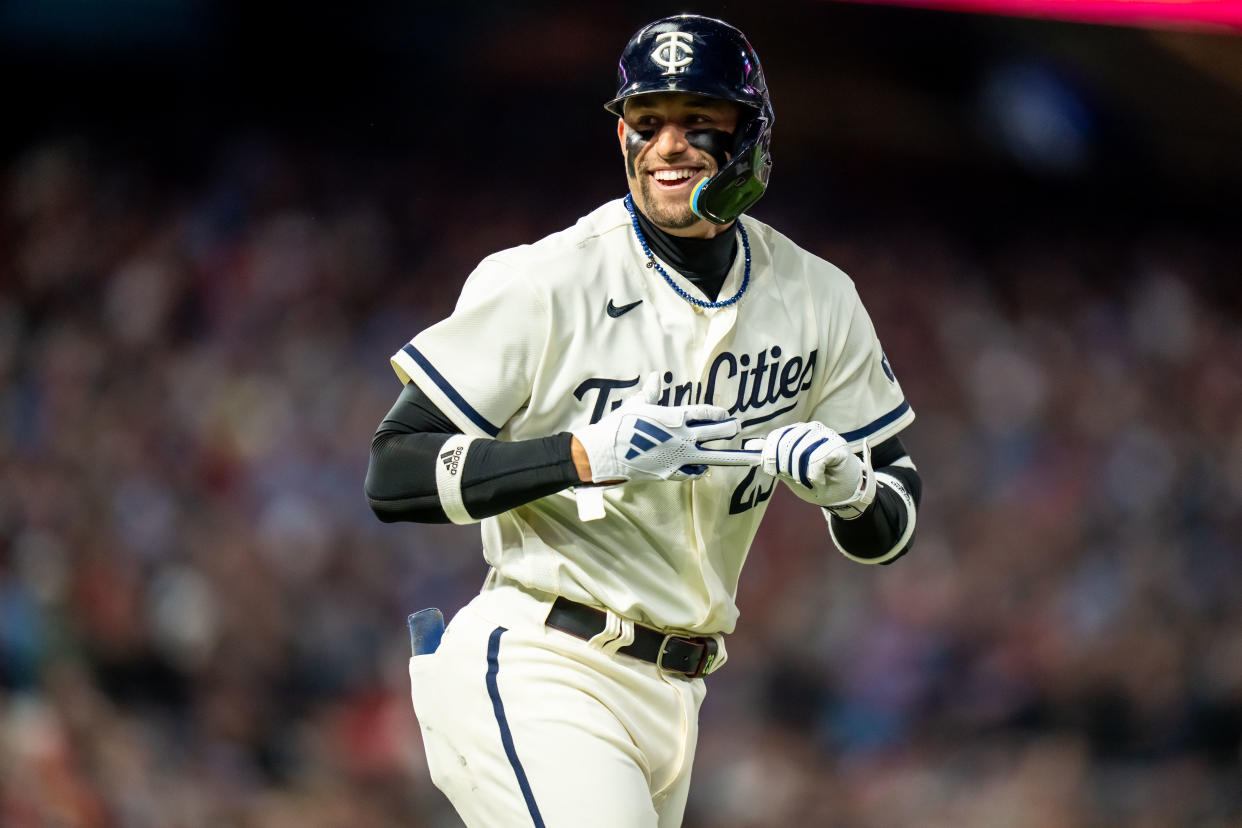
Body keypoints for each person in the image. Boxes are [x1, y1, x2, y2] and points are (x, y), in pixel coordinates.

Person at [365, 14, 921, 827]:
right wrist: (581, 454)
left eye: (700, 122)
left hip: (678, 695)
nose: (669, 145)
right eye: (648, 121)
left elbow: (894, 522)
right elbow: (394, 469)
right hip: (542, 661)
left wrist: (849, 488)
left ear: (751, 139)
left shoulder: (817, 297)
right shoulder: (548, 279)